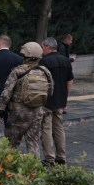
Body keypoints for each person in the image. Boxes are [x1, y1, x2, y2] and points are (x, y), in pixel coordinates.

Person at [0, 41, 54, 157]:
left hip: (18, 112)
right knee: (33, 143)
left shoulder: (17, 71)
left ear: (24, 55)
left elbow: (6, 93)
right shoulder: (45, 71)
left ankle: (9, 169)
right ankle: (33, 170)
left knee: (11, 145)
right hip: (37, 112)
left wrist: (0, 109)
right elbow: (50, 91)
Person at [39, 37, 74, 167]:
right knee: (59, 127)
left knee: (46, 128)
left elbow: (41, 82)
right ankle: (61, 156)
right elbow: (69, 81)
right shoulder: (66, 61)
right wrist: (65, 97)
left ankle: (49, 158)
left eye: (43, 47)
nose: (42, 50)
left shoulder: (44, 62)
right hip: (60, 100)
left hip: (47, 100)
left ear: (48, 47)